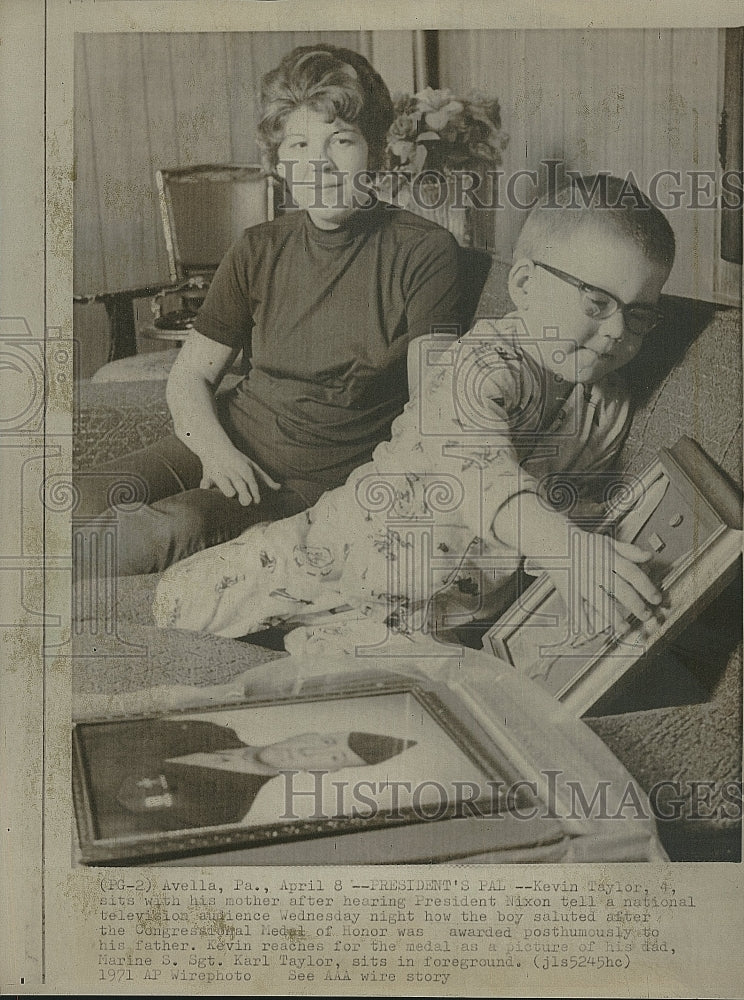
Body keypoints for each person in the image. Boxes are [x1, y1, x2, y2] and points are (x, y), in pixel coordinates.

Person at [153, 175, 675, 650]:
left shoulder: (606, 404)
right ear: (523, 285)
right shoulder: (479, 364)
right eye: (597, 303)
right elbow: (478, 470)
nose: (616, 331)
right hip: (341, 551)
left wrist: (590, 568)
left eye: (640, 314)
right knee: (185, 601)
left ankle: (317, 644)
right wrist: (562, 546)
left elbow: (576, 502)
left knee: (420, 677)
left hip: (435, 609)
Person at [74, 44, 460, 576]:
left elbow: (433, 416)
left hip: (305, 483)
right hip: (226, 439)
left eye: (341, 140)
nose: (320, 164)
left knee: (173, 526)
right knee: (74, 498)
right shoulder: (258, 247)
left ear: (375, 150)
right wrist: (216, 452)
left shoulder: (426, 253)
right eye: (300, 144)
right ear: (279, 165)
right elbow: (190, 376)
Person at [89, 720, 416, 834]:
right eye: (326, 741)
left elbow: (109, 832)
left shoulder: (226, 810)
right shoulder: (211, 731)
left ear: (324, 771)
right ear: (308, 733)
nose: (308, 752)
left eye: (332, 757)